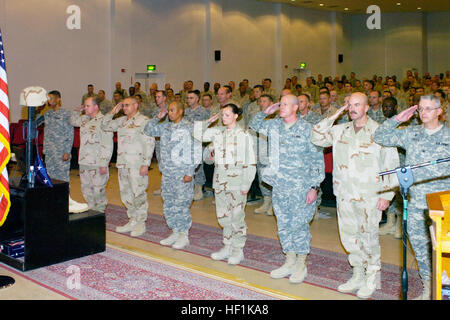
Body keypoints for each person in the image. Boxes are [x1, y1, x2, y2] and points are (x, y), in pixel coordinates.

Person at [310, 92, 399, 299]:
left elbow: (391, 166)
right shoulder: (340, 130)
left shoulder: (379, 132)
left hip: (370, 195)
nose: (352, 108)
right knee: (349, 236)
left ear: (367, 107)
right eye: (349, 105)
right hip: (345, 194)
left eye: (357, 104)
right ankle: (358, 273)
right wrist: (336, 114)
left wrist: (387, 195)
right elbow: (315, 136)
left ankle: (372, 276)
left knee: (368, 238)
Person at [373, 94, 450, 300]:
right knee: (420, 247)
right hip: (416, 203)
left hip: (443, 205)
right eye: (421, 109)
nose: (423, 113)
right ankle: (429, 287)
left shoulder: (449, 136)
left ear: (439, 112)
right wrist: (398, 119)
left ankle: (445, 287)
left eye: (428, 109)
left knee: (445, 249)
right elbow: (379, 136)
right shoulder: (411, 133)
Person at [249, 94, 325, 284]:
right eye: (280, 104)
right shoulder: (274, 126)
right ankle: (289, 260)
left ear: (295, 107)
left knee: (299, 226)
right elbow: (254, 125)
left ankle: (301, 263)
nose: (280, 107)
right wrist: (265, 112)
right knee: (283, 224)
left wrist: (314, 187)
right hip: (280, 186)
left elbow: (317, 160)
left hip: (301, 187)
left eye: (284, 104)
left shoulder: (307, 129)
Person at [196, 104, 256, 265]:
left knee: (237, 217)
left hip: (236, 183)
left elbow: (250, 162)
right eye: (222, 114)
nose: (224, 117)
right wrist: (208, 121)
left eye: (227, 114)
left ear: (236, 116)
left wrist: (246, 185)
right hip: (220, 182)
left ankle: (238, 249)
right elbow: (196, 134)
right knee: (223, 216)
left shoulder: (243, 135)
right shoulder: (218, 133)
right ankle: (227, 246)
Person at [143, 101, 198, 250]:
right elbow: (148, 130)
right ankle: (175, 231)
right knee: (169, 203)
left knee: (181, 204)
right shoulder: (165, 126)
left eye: (172, 110)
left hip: (182, 173)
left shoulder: (189, 127)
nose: (170, 113)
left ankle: (183, 234)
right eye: (169, 110)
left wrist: (189, 172)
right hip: (167, 173)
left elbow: (195, 150)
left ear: (181, 112)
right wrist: (157, 117)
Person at [101, 97, 155, 237]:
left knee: (138, 194)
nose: (124, 108)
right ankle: (132, 219)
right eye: (123, 106)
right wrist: (113, 112)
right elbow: (104, 125)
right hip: (123, 163)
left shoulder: (143, 121)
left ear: (136, 105)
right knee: (126, 194)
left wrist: (146, 164)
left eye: (127, 105)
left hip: (137, 164)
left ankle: (140, 222)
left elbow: (149, 143)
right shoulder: (121, 121)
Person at [36, 90, 88, 213]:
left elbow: (70, 133)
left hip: (61, 152)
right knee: (51, 177)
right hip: (49, 152)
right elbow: (35, 124)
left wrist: (67, 151)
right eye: (48, 99)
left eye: (51, 98)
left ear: (58, 99)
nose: (49, 101)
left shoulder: (65, 114)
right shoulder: (47, 114)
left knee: (62, 178)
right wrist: (38, 110)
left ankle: (67, 200)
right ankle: (55, 201)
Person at [69, 97, 113, 213]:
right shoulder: (84, 119)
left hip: (97, 161)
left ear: (96, 107)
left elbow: (108, 144)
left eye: (87, 106)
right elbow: (72, 121)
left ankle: (100, 209)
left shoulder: (104, 121)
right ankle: (92, 207)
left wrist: (104, 163)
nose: (85, 108)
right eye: (84, 105)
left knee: (98, 188)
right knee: (86, 187)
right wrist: (76, 111)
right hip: (84, 160)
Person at [377, 97, 404, 239]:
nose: (386, 109)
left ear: (396, 107)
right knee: (388, 191)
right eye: (384, 107)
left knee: (399, 195)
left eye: (389, 107)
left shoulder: (402, 123)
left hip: (402, 162)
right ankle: (390, 222)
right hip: (387, 164)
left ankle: (399, 225)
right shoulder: (384, 124)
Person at [184, 90, 211, 201]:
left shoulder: (204, 111)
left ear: (197, 99)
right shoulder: (185, 112)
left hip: (198, 142)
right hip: (186, 142)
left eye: (191, 98)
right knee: (187, 166)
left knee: (198, 167)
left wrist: (204, 144)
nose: (189, 100)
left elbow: (207, 128)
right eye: (188, 98)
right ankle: (189, 188)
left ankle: (199, 189)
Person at [252, 94, 274, 216]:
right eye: (260, 101)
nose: (261, 103)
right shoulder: (258, 117)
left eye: (264, 101)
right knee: (262, 178)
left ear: (271, 103)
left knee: (272, 180)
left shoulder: (277, 117)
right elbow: (253, 134)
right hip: (260, 152)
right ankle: (266, 201)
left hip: (272, 154)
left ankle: (273, 204)